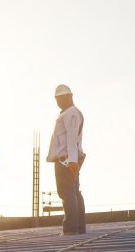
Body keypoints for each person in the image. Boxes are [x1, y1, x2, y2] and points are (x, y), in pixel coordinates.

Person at [47, 84, 86, 235]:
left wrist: (72, 161)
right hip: (70, 158)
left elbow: (71, 138)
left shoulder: (71, 113)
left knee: (67, 192)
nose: (57, 102)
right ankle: (79, 228)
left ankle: (70, 229)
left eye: (59, 98)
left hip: (66, 159)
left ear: (67, 96)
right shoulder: (69, 113)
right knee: (74, 191)